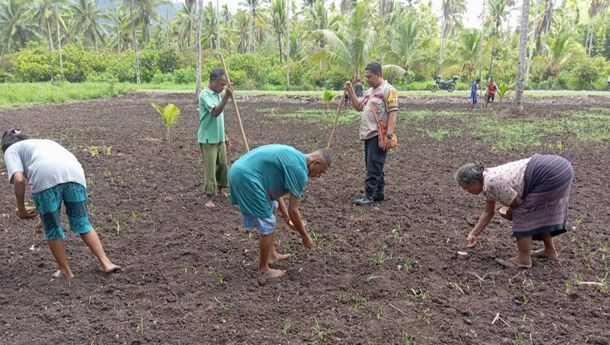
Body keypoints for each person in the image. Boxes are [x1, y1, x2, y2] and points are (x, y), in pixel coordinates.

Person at [1, 128, 121, 279]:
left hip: (45, 176)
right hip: (74, 172)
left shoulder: (10, 150)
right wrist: (42, 219)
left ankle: (66, 271)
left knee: (52, 228)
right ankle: (106, 263)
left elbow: (19, 179)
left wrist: (21, 208)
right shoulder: (42, 143)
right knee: (82, 222)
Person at [228, 144, 331, 278]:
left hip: (241, 171)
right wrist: (305, 237)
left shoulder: (296, 156)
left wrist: (286, 217)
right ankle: (263, 269)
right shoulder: (299, 170)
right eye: (320, 172)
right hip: (246, 177)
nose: (318, 176)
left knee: (272, 208)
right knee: (267, 222)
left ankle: (272, 255)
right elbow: (294, 210)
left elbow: (277, 191)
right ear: (315, 163)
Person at [454, 154, 574, 268]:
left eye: (466, 188)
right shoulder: (486, 182)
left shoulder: (492, 182)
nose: (466, 191)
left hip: (552, 172)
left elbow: (517, 204)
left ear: (474, 182)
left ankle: (523, 259)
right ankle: (549, 250)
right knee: (538, 211)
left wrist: (510, 212)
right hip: (558, 167)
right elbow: (488, 213)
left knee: (523, 213)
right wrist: (473, 234)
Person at [344, 62, 399, 206]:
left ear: (378, 74)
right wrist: (351, 91)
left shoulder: (388, 90)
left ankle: (369, 195)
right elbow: (358, 106)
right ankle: (379, 193)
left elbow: (393, 113)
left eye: (369, 76)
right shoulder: (370, 91)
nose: (367, 79)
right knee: (373, 164)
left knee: (374, 165)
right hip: (368, 134)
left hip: (378, 134)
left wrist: (389, 135)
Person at [198, 68, 234, 208]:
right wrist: (227, 96)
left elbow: (220, 119)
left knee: (223, 165)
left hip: (219, 137)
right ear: (213, 81)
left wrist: (224, 135)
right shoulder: (204, 95)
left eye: (225, 85)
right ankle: (209, 197)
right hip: (208, 138)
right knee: (210, 168)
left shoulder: (218, 95)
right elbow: (214, 112)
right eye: (222, 84)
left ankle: (220, 189)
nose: (223, 87)